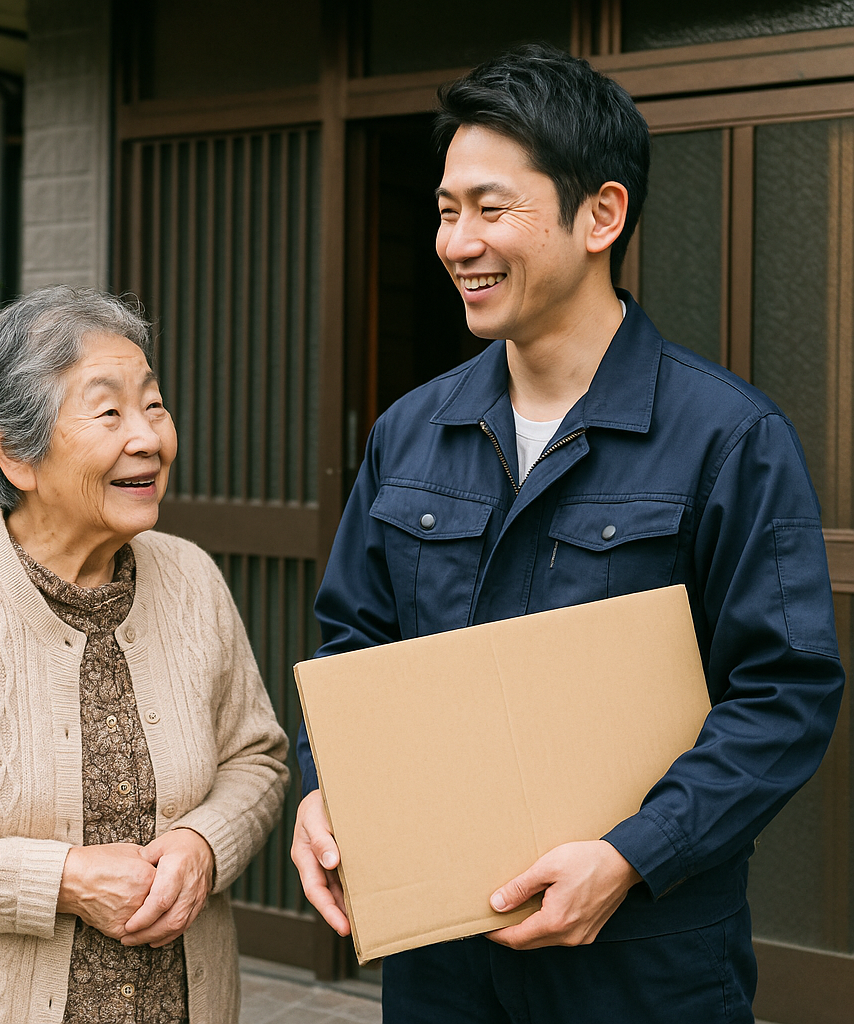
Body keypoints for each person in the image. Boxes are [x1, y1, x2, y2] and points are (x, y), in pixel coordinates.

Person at [291, 44, 844, 1023]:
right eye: (445, 210)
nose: (457, 241)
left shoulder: (728, 436)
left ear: (601, 214)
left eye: (490, 208)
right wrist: (323, 791)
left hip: (642, 963)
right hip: (443, 962)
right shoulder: (410, 431)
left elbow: (782, 692)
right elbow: (352, 646)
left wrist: (632, 854)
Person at [0, 286, 290, 1024]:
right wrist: (65, 879)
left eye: (154, 404)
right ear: (15, 452)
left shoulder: (194, 579)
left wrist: (205, 844)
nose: (148, 437)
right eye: (109, 412)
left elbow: (257, 758)